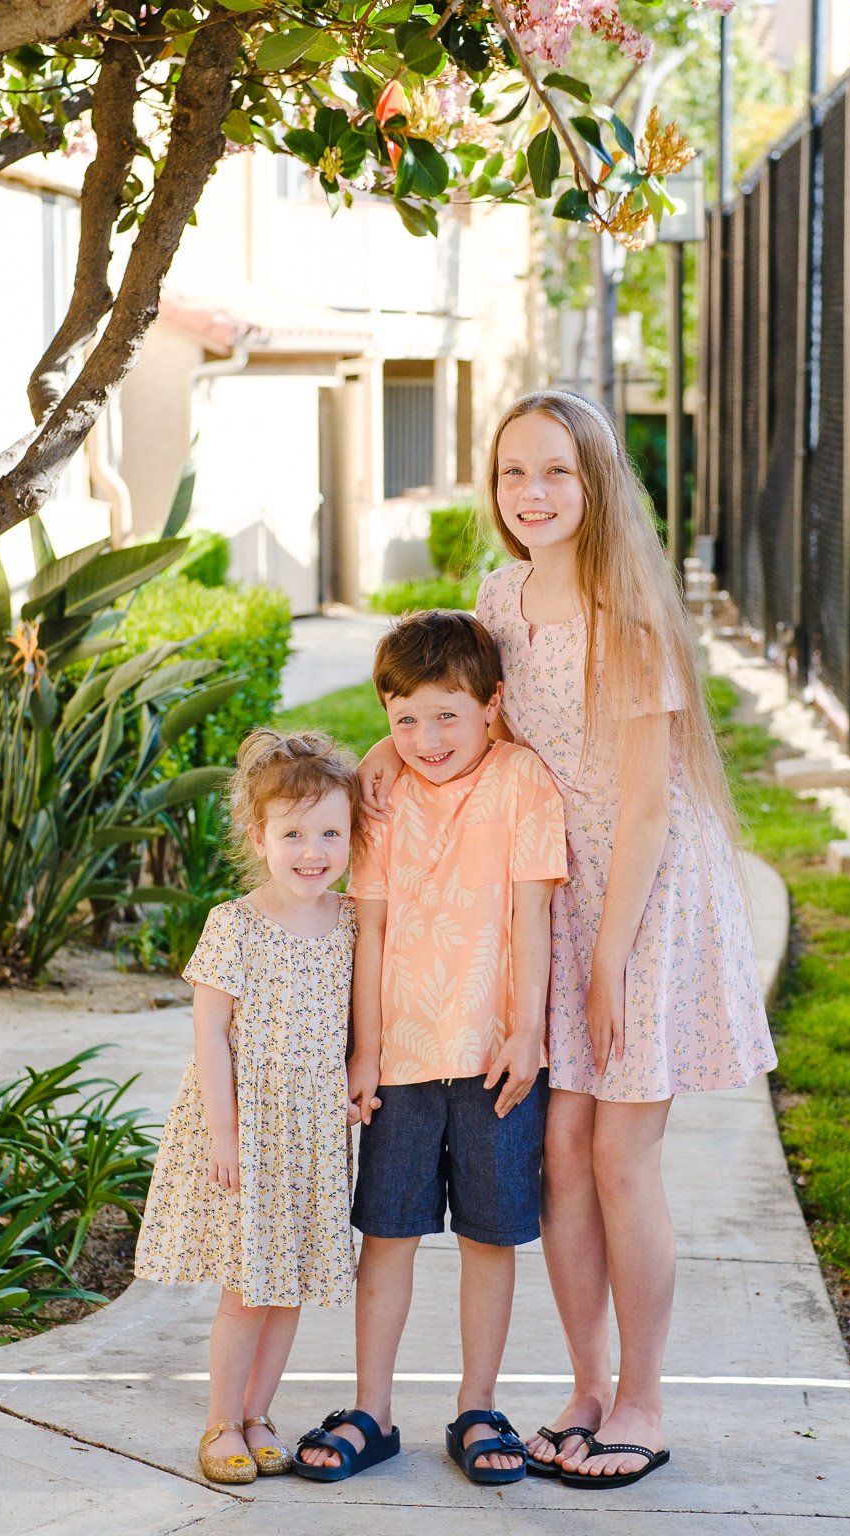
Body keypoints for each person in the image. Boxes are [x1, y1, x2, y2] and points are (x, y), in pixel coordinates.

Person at [358, 391, 776, 1492]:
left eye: (554, 473)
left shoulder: (628, 612)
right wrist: (377, 754)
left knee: (618, 1160)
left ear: (593, 483)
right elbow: (459, 700)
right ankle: (587, 1387)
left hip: (644, 904)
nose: (531, 494)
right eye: (511, 475)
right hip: (551, 893)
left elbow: (643, 813)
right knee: (555, 1165)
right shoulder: (500, 591)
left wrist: (604, 967)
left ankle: (643, 1399)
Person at [293, 609, 568, 1487]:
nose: (426, 737)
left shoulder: (524, 781)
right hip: (402, 1063)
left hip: (496, 1060)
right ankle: (371, 1411)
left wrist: (528, 1035)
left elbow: (532, 917)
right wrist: (362, 1053)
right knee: (389, 1233)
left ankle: (478, 1406)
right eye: (405, 717)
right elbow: (368, 934)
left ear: (494, 706)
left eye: (448, 714)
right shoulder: (382, 799)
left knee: (491, 1239)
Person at [134, 729, 364, 1485]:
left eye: (330, 832)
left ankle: (261, 1412)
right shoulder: (235, 923)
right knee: (245, 1288)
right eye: (292, 833)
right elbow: (208, 1032)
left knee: (289, 1281)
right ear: (257, 836)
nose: (312, 851)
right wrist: (226, 1133)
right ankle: (218, 1423)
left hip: (314, 1133)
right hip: (250, 1129)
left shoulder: (351, 922)